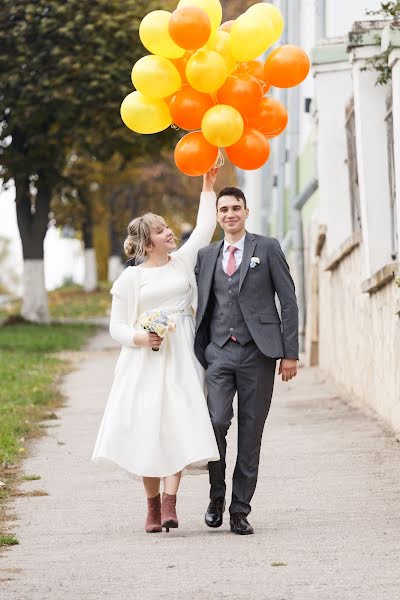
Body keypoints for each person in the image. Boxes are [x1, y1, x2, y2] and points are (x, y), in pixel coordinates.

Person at [92, 169, 220, 534]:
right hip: (144, 359)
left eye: (167, 228)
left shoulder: (182, 261)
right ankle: (151, 507)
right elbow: (116, 327)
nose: (170, 233)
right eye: (162, 231)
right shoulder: (132, 279)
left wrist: (207, 187)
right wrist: (141, 338)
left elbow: (204, 227)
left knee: (178, 420)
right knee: (149, 427)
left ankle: (170, 503)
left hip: (181, 354)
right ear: (148, 244)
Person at [194, 186, 299, 535]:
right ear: (218, 215)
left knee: (250, 433)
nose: (229, 214)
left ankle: (240, 510)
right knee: (217, 422)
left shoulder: (266, 248)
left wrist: (290, 352)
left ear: (246, 211)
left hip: (259, 352)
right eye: (223, 209)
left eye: (235, 208)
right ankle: (216, 496)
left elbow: (288, 300)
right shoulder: (207, 255)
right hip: (219, 351)